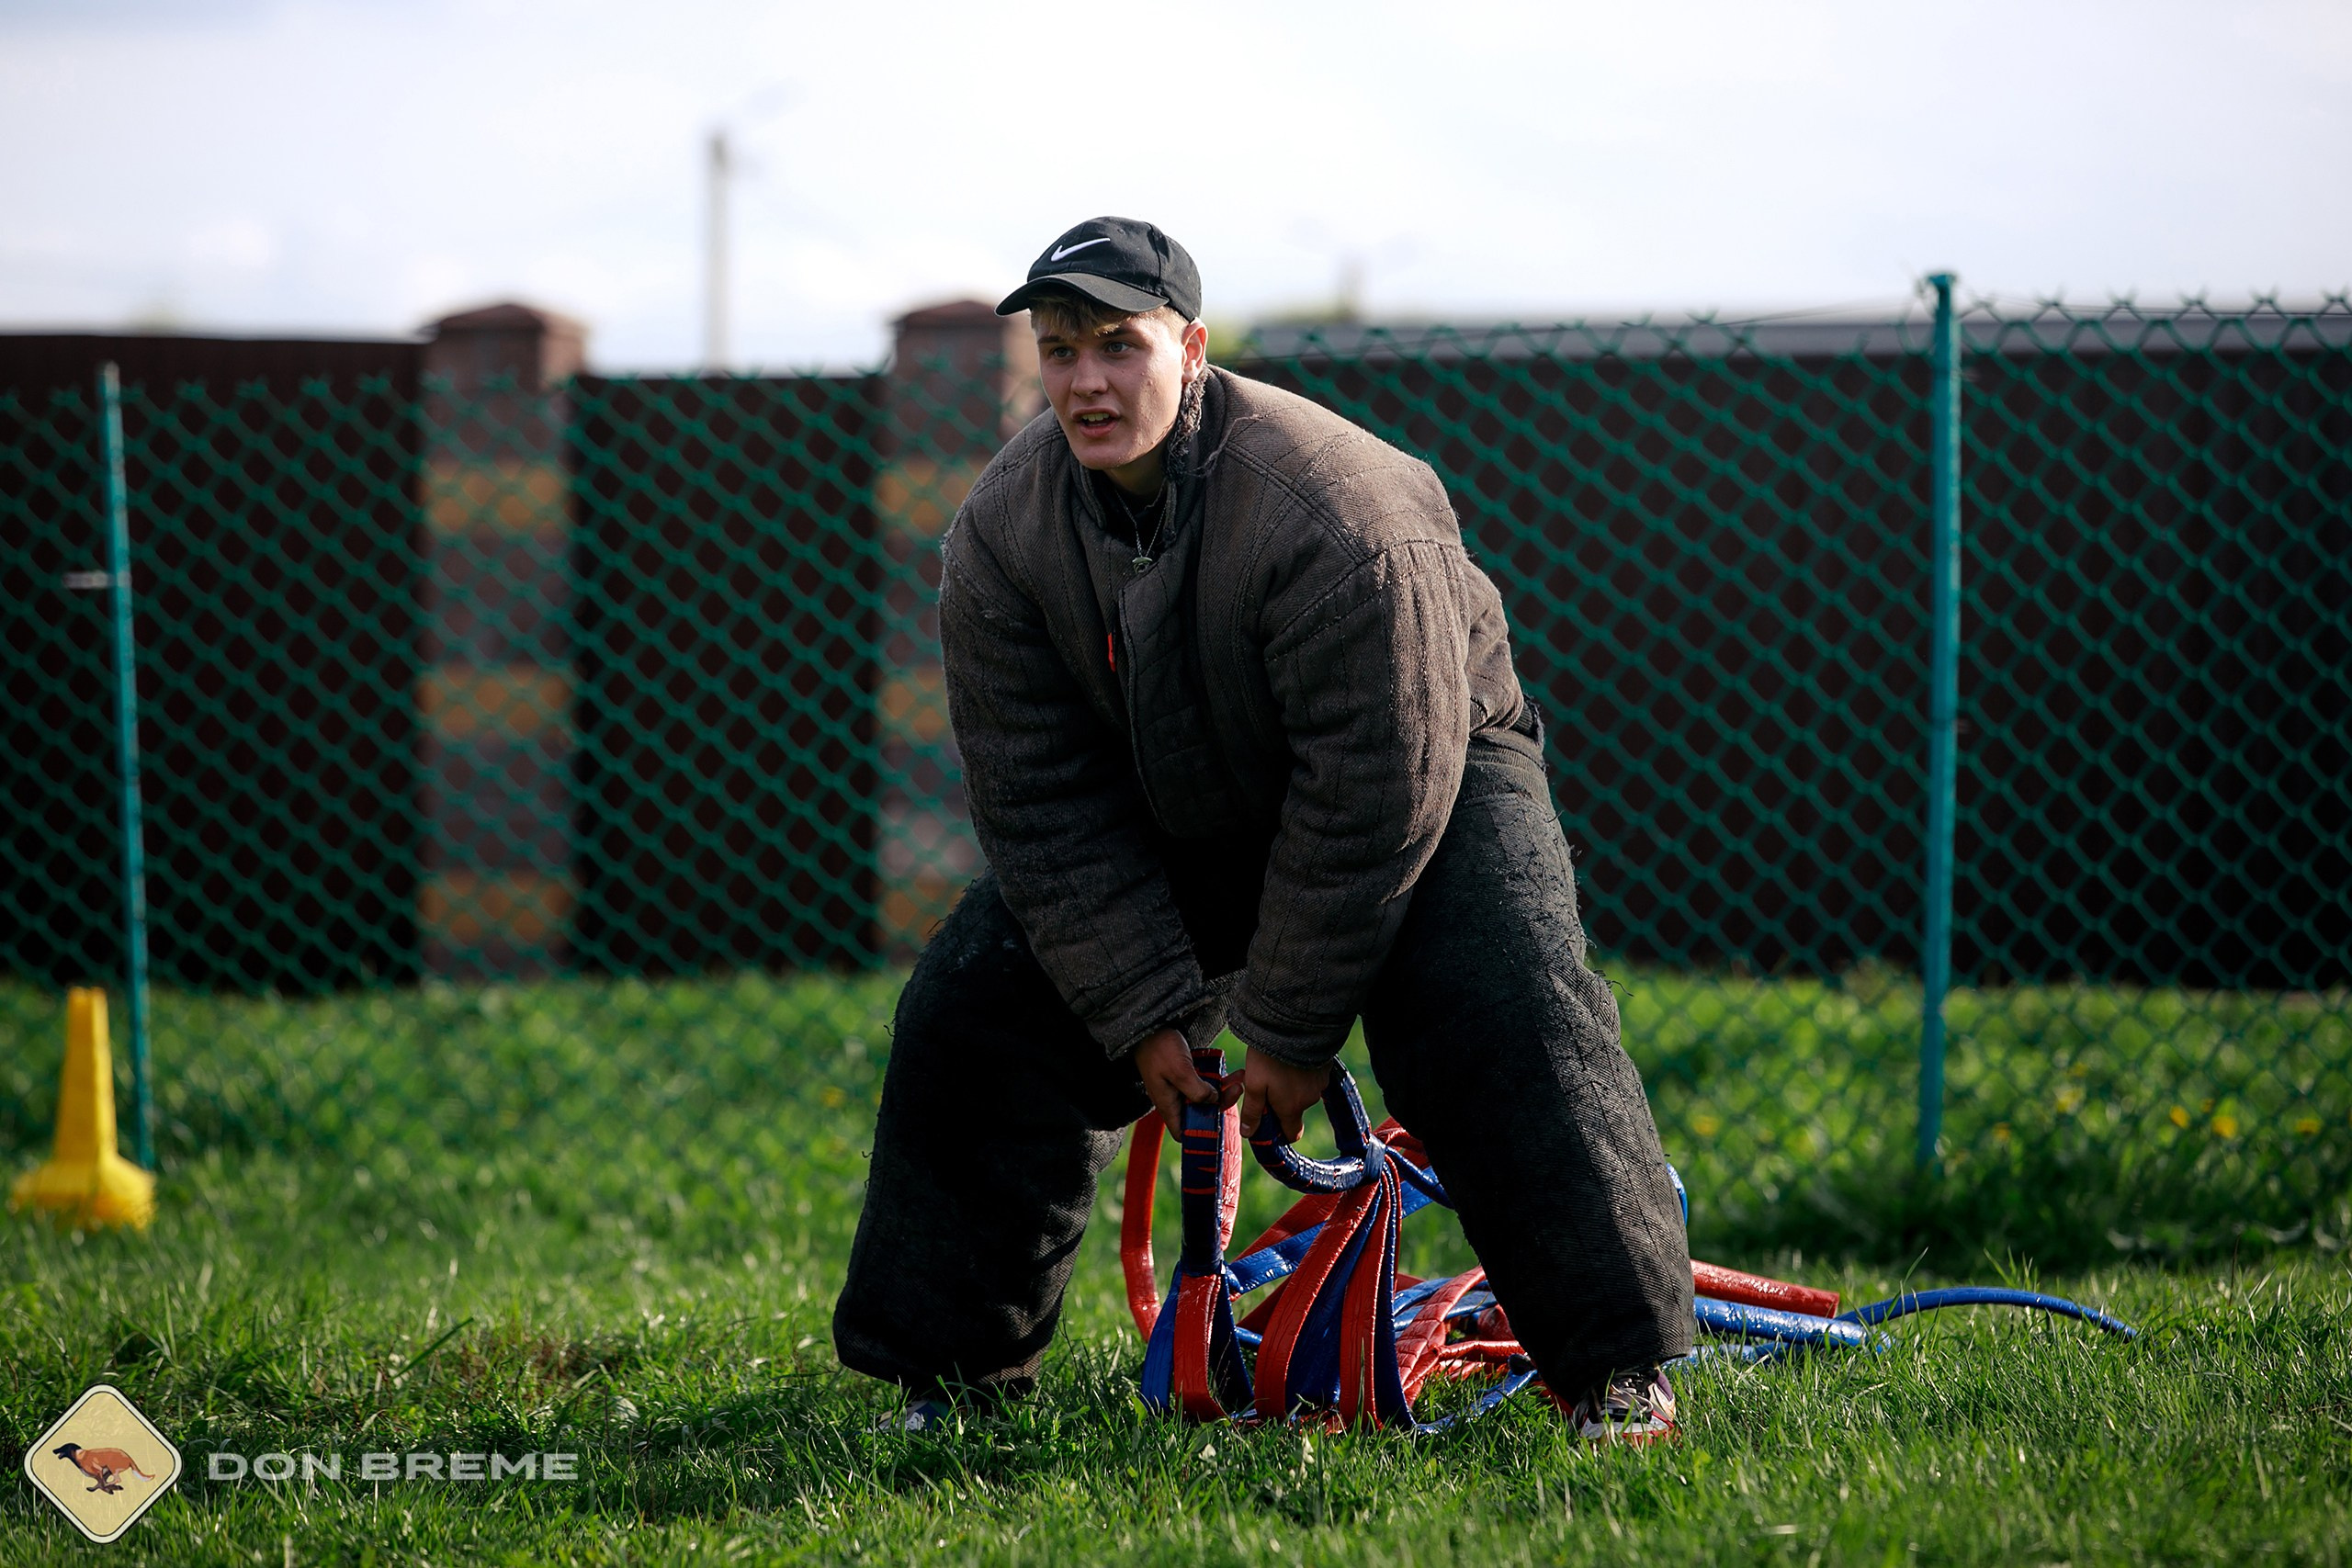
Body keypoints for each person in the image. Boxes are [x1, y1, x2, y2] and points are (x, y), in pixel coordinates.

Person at [833, 216, 1691, 1440]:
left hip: (1433, 778)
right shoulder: (1001, 534)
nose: (1085, 382)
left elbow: (1374, 787)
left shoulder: (1338, 509)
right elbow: (1038, 804)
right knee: (974, 1011)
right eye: (1061, 350)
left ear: (1189, 348)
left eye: (1117, 347)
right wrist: (1142, 1013)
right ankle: (955, 1383)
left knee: (1505, 1006)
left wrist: (1285, 1029)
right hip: (1181, 791)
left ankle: (1617, 1368)